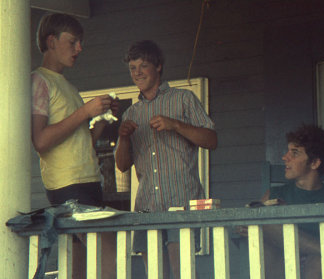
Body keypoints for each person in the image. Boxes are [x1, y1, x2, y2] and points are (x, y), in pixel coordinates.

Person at [115, 40, 217, 279]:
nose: (137, 72)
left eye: (143, 65)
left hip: (181, 201)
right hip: (146, 206)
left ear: (158, 66)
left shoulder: (184, 98)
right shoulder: (131, 112)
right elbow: (121, 165)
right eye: (132, 68)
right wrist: (124, 138)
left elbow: (211, 140)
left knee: (182, 274)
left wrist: (175, 124)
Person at [31, 13, 118, 279]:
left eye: (80, 42)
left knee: (79, 269)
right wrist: (85, 111)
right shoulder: (39, 81)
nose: (80, 48)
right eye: (73, 41)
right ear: (52, 41)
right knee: (109, 260)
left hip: (88, 182)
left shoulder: (69, 86)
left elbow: (80, 144)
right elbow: (41, 141)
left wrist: (99, 122)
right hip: (68, 187)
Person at [240, 125, 324, 279]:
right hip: (286, 269)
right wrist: (246, 226)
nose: (285, 157)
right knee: (261, 223)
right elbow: (246, 228)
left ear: (314, 163)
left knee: (318, 261)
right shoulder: (275, 195)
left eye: (295, 152)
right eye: (288, 151)